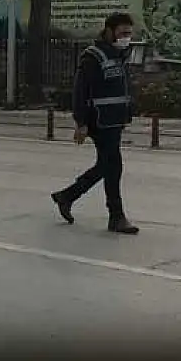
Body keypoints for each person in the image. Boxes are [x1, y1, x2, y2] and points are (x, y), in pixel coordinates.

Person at [51, 12, 140, 234]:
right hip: (99, 120)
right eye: (123, 33)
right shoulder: (93, 56)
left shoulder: (120, 54)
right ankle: (116, 217)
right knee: (113, 165)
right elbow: (80, 91)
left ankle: (67, 196)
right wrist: (81, 122)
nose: (127, 37)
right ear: (109, 31)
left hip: (115, 120)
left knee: (107, 165)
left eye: (129, 33)